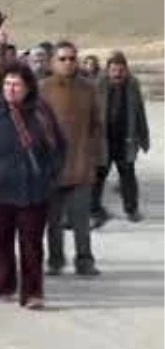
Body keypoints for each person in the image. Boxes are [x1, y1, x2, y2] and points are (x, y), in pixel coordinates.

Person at [0, 62, 65, 309]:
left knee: (31, 244)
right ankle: (4, 285)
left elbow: (58, 146)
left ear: (28, 87)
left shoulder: (41, 112)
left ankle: (33, 293)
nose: (11, 89)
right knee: (1, 240)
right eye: (7, 84)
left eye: (17, 84)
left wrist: (50, 174)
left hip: (33, 189)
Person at [39, 41, 104, 277]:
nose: (68, 63)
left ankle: (84, 260)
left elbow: (97, 125)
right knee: (53, 221)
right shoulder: (42, 89)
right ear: (53, 62)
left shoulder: (88, 88)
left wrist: (94, 156)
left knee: (80, 220)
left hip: (80, 164)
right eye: (63, 58)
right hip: (51, 167)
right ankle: (55, 260)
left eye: (72, 58)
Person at [93, 52, 150, 225]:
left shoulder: (132, 85)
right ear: (107, 70)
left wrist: (143, 137)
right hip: (103, 140)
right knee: (98, 177)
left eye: (120, 70)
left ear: (126, 70)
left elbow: (140, 112)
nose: (117, 73)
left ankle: (131, 209)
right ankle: (94, 209)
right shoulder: (98, 85)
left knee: (128, 176)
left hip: (125, 138)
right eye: (114, 70)